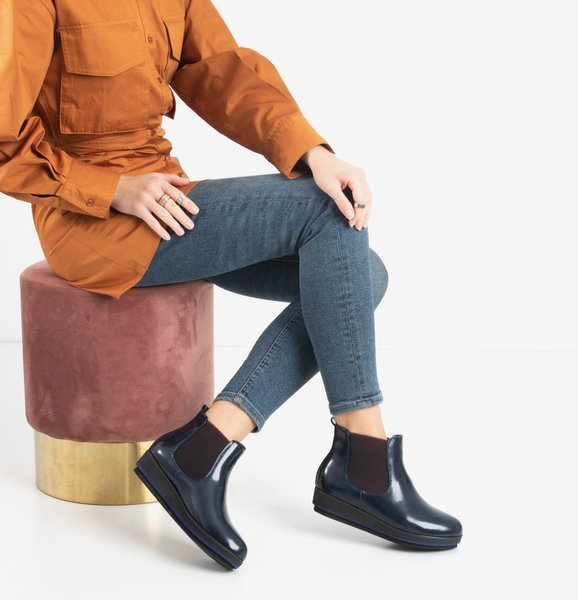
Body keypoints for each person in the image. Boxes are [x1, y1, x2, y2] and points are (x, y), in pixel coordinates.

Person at [1, 0, 462, 569]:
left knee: (363, 273)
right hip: (89, 220)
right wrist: (112, 189)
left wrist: (313, 153)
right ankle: (363, 461)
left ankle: (205, 447)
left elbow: (225, 72)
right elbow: (4, 141)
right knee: (326, 213)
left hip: (166, 198)